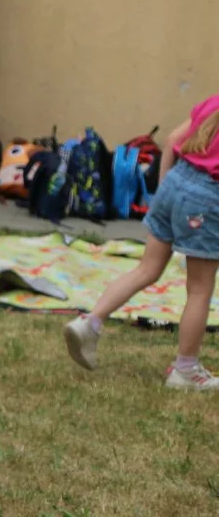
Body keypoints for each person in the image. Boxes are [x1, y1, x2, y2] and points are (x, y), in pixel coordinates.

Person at [64, 95, 219, 390]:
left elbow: (173, 139)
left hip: (174, 182)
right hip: (207, 198)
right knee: (200, 288)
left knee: (146, 269)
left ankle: (90, 323)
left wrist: (163, 195)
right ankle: (186, 370)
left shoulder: (214, 101)